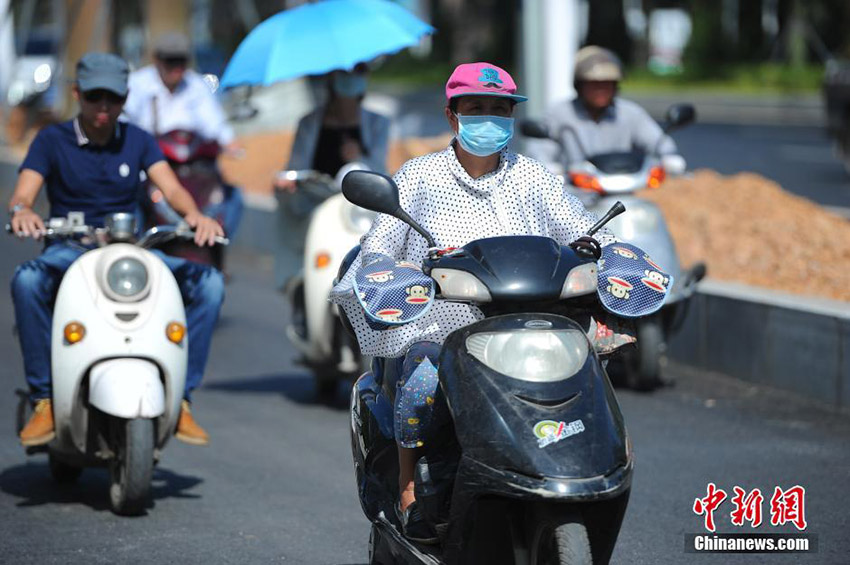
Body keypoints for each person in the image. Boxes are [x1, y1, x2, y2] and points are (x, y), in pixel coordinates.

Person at [331, 62, 631, 543]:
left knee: (591, 368)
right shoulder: (419, 177)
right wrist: (388, 271)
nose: (488, 118)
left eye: (499, 109)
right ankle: (410, 488)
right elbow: (379, 247)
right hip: (441, 328)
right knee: (422, 379)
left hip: (530, 326)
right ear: (452, 116)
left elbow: (582, 229)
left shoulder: (535, 177)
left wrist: (611, 252)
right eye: (476, 108)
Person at [10, 52, 225, 448]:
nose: (104, 108)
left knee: (209, 284)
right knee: (26, 282)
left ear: (126, 98)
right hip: (70, 249)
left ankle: (182, 400)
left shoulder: (138, 139)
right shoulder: (51, 139)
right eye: (95, 98)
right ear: (77, 95)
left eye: (114, 98)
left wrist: (196, 215)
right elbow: (24, 191)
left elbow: (171, 187)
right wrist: (22, 211)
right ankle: (44, 399)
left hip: (130, 251)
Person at [273, 63, 390, 290]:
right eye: (344, 73)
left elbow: (379, 170)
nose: (351, 78)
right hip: (315, 205)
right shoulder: (309, 123)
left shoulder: (378, 123)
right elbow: (296, 168)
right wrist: (288, 180)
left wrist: (359, 156)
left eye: (359, 71)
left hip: (356, 209)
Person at [122, 32, 244, 239]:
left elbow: (214, 122)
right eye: (170, 61)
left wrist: (229, 142)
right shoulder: (137, 84)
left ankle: (220, 239)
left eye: (181, 61)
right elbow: (126, 121)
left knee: (234, 197)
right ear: (157, 60)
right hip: (151, 165)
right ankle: (138, 244)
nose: (176, 68)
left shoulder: (197, 85)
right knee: (131, 201)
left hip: (193, 164)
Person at [531, 45, 686, 175]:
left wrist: (669, 159)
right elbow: (540, 153)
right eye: (593, 83)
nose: (601, 89)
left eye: (607, 83)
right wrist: (550, 168)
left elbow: (658, 143)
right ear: (579, 85)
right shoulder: (559, 114)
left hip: (624, 189)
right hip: (573, 194)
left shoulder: (630, 113)